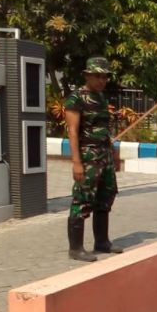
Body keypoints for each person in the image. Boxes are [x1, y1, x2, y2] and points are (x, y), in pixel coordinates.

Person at [64, 57, 123, 262]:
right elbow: (72, 131)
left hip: (104, 155)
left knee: (105, 197)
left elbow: (105, 130)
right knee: (82, 198)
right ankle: (76, 248)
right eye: (97, 76)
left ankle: (102, 242)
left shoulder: (101, 98)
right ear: (87, 75)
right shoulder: (76, 99)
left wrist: (114, 153)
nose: (102, 80)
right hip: (88, 157)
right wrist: (76, 162)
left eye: (104, 76)